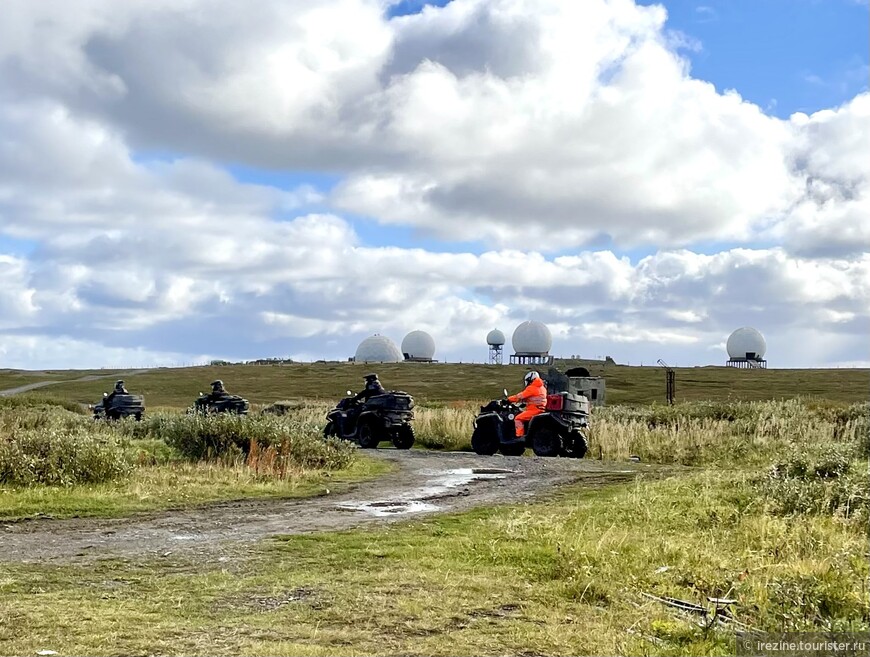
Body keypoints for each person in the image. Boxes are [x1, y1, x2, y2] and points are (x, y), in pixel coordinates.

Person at [507, 371, 547, 438]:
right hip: (541, 409)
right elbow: (533, 398)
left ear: (531, 379)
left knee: (518, 418)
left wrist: (508, 400)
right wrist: (525, 403)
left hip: (534, 410)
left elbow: (520, 396)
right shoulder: (542, 388)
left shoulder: (532, 387)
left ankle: (519, 436)